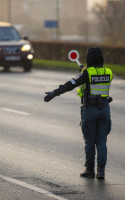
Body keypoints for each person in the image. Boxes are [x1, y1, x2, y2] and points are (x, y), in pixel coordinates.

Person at [44, 47, 113, 179]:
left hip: (90, 110)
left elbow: (71, 84)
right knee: (102, 142)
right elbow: (97, 77)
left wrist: (54, 93)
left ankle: (89, 170)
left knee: (89, 141)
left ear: (89, 59)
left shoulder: (87, 73)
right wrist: (85, 71)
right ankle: (101, 172)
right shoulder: (109, 72)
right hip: (104, 109)